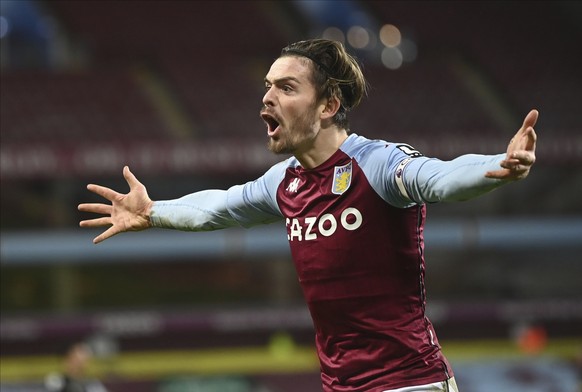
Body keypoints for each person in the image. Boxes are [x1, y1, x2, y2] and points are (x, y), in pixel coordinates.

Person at [78, 39, 537, 392]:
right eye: (267, 87)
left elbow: (438, 177)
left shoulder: (375, 164)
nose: (268, 98)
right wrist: (154, 211)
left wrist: (496, 167)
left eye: (286, 87)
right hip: (340, 385)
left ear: (328, 106)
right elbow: (218, 208)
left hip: (408, 381)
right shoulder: (285, 181)